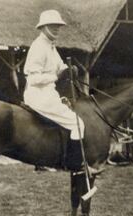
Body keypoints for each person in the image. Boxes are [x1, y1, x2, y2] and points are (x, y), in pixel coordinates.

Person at [23, 9, 101, 175]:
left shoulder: (51, 47)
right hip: (38, 95)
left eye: (58, 26)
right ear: (43, 27)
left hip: (49, 94)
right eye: (53, 25)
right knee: (77, 123)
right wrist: (56, 76)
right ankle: (76, 164)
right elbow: (33, 79)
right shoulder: (38, 47)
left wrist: (70, 69)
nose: (57, 28)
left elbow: (60, 67)